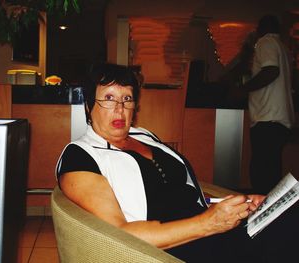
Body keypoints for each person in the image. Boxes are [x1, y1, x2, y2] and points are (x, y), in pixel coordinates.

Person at [56, 63, 299, 262]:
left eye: (127, 98)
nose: (119, 109)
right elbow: (120, 233)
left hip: (210, 229)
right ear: (89, 106)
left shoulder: (144, 136)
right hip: (174, 249)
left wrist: (234, 204)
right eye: (108, 98)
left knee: (286, 213)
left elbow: (175, 188)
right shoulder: (81, 156)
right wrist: (209, 223)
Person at [232, 15, 296, 194]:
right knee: (271, 170)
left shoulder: (265, 43)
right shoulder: (284, 48)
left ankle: (262, 215)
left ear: (262, 28)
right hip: (280, 118)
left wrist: (243, 89)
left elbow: (271, 71)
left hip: (267, 117)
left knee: (261, 172)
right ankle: (271, 213)